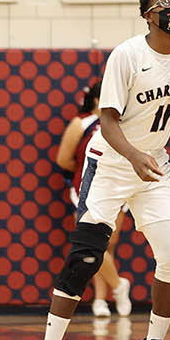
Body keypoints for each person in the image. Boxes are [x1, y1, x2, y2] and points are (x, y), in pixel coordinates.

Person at [30, 0, 170, 340]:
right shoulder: (127, 54)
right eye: (164, 0)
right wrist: (132, 155)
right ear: (148, 14)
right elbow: (107, 120)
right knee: (86, 258)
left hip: (154, 168)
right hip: (112, 164)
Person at [54, 80, 131, 318]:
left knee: (108, 245)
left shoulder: (125, 120)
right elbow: (64, 159)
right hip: (87, 188)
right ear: (98, 100)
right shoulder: (82, 123)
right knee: (94, 243)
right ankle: (118, 287)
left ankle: (100, 299)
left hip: (120, 186)